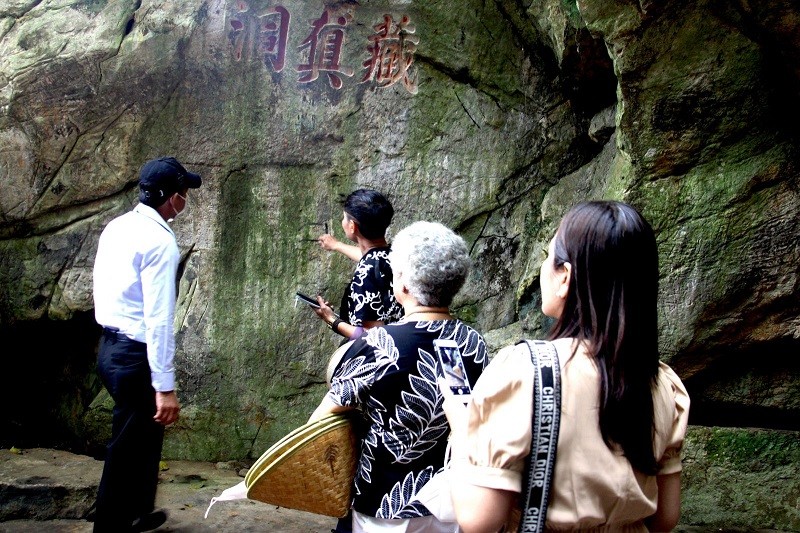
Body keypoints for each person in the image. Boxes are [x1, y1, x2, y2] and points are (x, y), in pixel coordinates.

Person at [442, 201, 691, 532]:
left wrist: (462, 429)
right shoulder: (663, 384)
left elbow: (479, 520)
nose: (544, 266)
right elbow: (664, 518)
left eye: (548, 256)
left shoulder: (524, 370)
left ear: (566, 276)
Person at [310, 221, 489, 533]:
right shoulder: (470, 341)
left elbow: (318, 427)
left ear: (404, 285)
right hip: (451, 503)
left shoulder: (380, 344)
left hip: (384, 506)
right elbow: (455, 399)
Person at [92, 156, 202, 532]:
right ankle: (110, 525)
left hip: (109, 346)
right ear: (173, 198)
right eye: (184, 193)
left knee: (145, 433)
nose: (185, 200)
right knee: (127, 447)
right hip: (135, 353)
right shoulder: (159, 242)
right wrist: (165, 386)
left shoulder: (118, 226)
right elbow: (158, 321)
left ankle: (139, 511)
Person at [312, 189, 404, 340]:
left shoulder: (365, 274)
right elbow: (371, 256)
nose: (343, 222)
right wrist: (336, 245)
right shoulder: (396, 254)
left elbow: (373, 337)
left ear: (352, 226)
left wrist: (331, 319)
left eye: (344, 218)